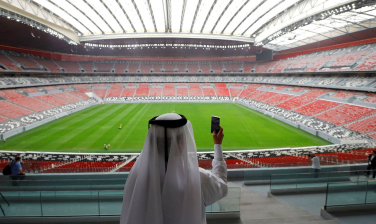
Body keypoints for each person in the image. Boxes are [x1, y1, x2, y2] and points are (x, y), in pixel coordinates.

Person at [120, 113, 227, 224]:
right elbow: (222, 185)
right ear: (181, 143)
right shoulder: (197, 179)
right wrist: (218, 145)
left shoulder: (137, 178)